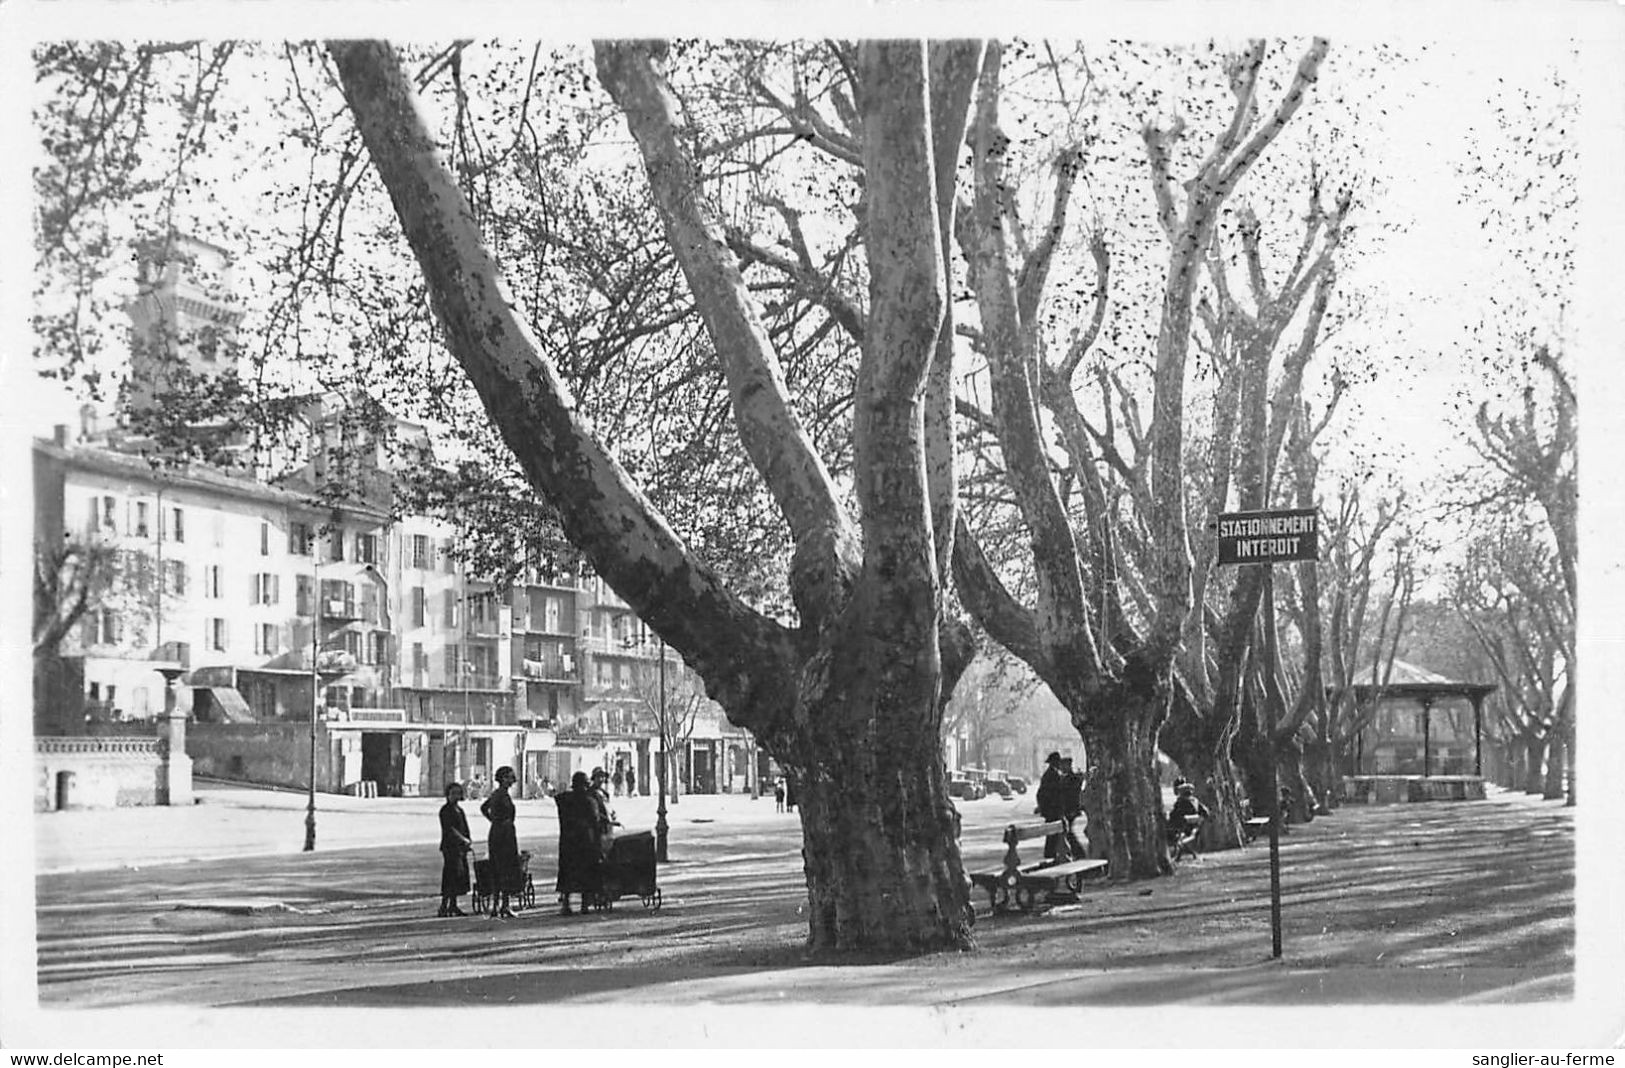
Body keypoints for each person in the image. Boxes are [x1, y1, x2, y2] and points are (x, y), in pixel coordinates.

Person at [556, 771, 613, 915]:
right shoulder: (589, 800)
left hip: (568, 841)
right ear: (586, 784)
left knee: (567, 872)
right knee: (587, 872)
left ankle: (566, 905)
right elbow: (595, 821)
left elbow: (558, 797)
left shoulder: (564, 800)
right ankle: (584, 905)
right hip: (586, 841)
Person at [479, 765, 522, 919]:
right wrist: (499, 821)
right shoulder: (502, 795)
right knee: (505, 868)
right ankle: (503, 905)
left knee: (497, 868)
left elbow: (484, 808)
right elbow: (484, 808)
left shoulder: (497, 794)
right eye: (510, 777)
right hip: (505, 834)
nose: (512, 780)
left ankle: (497, 906)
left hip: (497, 832)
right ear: (503, 779)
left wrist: (493, 821)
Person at [437, 781, 473, 917]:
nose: (456, 796)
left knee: (457, 876)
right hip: (450, 847)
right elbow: (450, 829)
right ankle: (443, 906)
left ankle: (453, 905)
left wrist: (468, 840)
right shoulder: (445, 810)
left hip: (460, 848)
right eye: (453, 794)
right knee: (450, 876)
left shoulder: (460, 810)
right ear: (448, 795)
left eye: (458, 793)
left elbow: (464, 827)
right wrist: (463, 839)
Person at [1035, 751, 1067, 859]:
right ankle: (1050, 856)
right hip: (1053, 811)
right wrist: (1047, 808)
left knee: (1054, 836)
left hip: (1053, 811)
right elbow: (1046, 794)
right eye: (1057, 762)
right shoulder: (1051, 775)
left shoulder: (1052, 774)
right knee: (1052, 836)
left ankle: (1053, 855)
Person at [1167, 781, 1211, 853]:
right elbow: (1205, 812)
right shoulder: (1195, 801)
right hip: (1192, 827)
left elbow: (1174, 814)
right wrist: (1198, 819)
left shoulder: (1180, 802)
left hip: (1181, 827)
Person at [1059, 756, 1087, 859]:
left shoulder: (1072, 779)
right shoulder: (1068, 778)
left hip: (1070, 810)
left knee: (1068, 834)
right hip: (1068, 809)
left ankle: (1078, 854)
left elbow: (1070, 795)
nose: (1061, 768)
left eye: (1063, 765)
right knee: (1067, 834)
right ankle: (1076, 854)